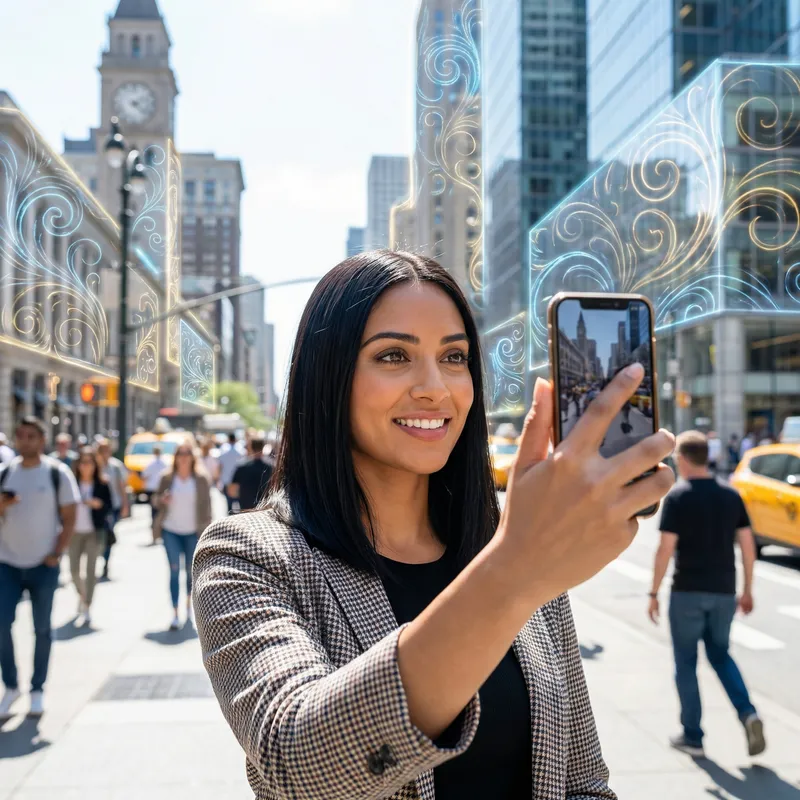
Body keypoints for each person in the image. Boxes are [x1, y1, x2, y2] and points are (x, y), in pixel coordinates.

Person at [192, 251, 675, 799]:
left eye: (454, 357)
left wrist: (517, 562)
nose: (435, 388)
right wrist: (512, 572)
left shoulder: (509, 546)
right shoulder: (246, 555)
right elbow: (299, 763)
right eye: (394, 355)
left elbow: (583, 782)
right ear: (328, 377)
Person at [648, 430, 765, 759]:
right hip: (724, 592)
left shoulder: (678, 497)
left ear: (682, 459)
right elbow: (748, 548)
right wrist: (748, 590)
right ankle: (748, 713)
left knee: (686, 663)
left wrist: (653, 592)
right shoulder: (731, 495)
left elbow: (665, 549)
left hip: (687, 591)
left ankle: (693, 736)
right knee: (721, 655)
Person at [0, 417, 80, 719]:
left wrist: (57, 552)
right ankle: (11, 686)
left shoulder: (57, 473)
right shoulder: (5, 473)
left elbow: (70, 516)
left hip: (44, 564)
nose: (25, 441)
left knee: (42, 628)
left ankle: (37, 689)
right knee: (1, 624)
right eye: (20, 435)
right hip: (7, 562)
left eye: (31, 436)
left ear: (42, 440)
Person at [153, 442, 212, 631]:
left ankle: (188, 608)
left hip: (193, 532)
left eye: (187, 453)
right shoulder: (167, 477)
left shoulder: (201, 479)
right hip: (170, 530)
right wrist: (162, 499)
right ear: (176, 457)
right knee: (174, 570)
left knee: (190, 572)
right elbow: (155, 500)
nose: (184, 457)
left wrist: (208, 533)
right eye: (180, 453)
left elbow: (207, 507)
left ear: (193, 457)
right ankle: (175, 613)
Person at [69, 447, 112, 627]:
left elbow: (109, 506)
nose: (86, 466)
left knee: (91, 571)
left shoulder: (102, 483)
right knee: (74, 571)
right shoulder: (71, 483)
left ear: (95, 465)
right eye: (83, 462)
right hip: (74, 532)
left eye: (89, 462)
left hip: (94, 532)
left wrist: (98, 504)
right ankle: (82, 595)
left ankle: (87, 605)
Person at [96, 438, 129, 580]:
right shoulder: (94, 465)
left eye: (106, 449)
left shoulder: (116, 466)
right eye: (101, 450)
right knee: (99, 536)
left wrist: (125, 504)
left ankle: (105, 562)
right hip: (97, 507)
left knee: (108, 534)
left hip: (112, 506)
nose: (104, 452)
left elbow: (122, 486)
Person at [228, 438, 273, 512]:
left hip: (245, 507)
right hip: (264, 508)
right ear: (263, 448)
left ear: (250, 448)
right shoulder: (270, 467)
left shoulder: (242, 467)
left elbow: (232, 490)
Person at [142, 445, 168, 544]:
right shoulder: (165, 463)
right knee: (162, 512)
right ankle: (161, 534)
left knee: (154, 513)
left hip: (153, 491)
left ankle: (155, 535)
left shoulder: (150, 463)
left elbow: (144, 476)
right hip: (161, 491)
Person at [217, 433, 244, 514]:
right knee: (239, 504)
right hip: (238, 482)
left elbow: (220, 466)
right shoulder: (241, 451)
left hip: (227, 481)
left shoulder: (223, 451)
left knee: (229, 505)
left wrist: (219, 480)